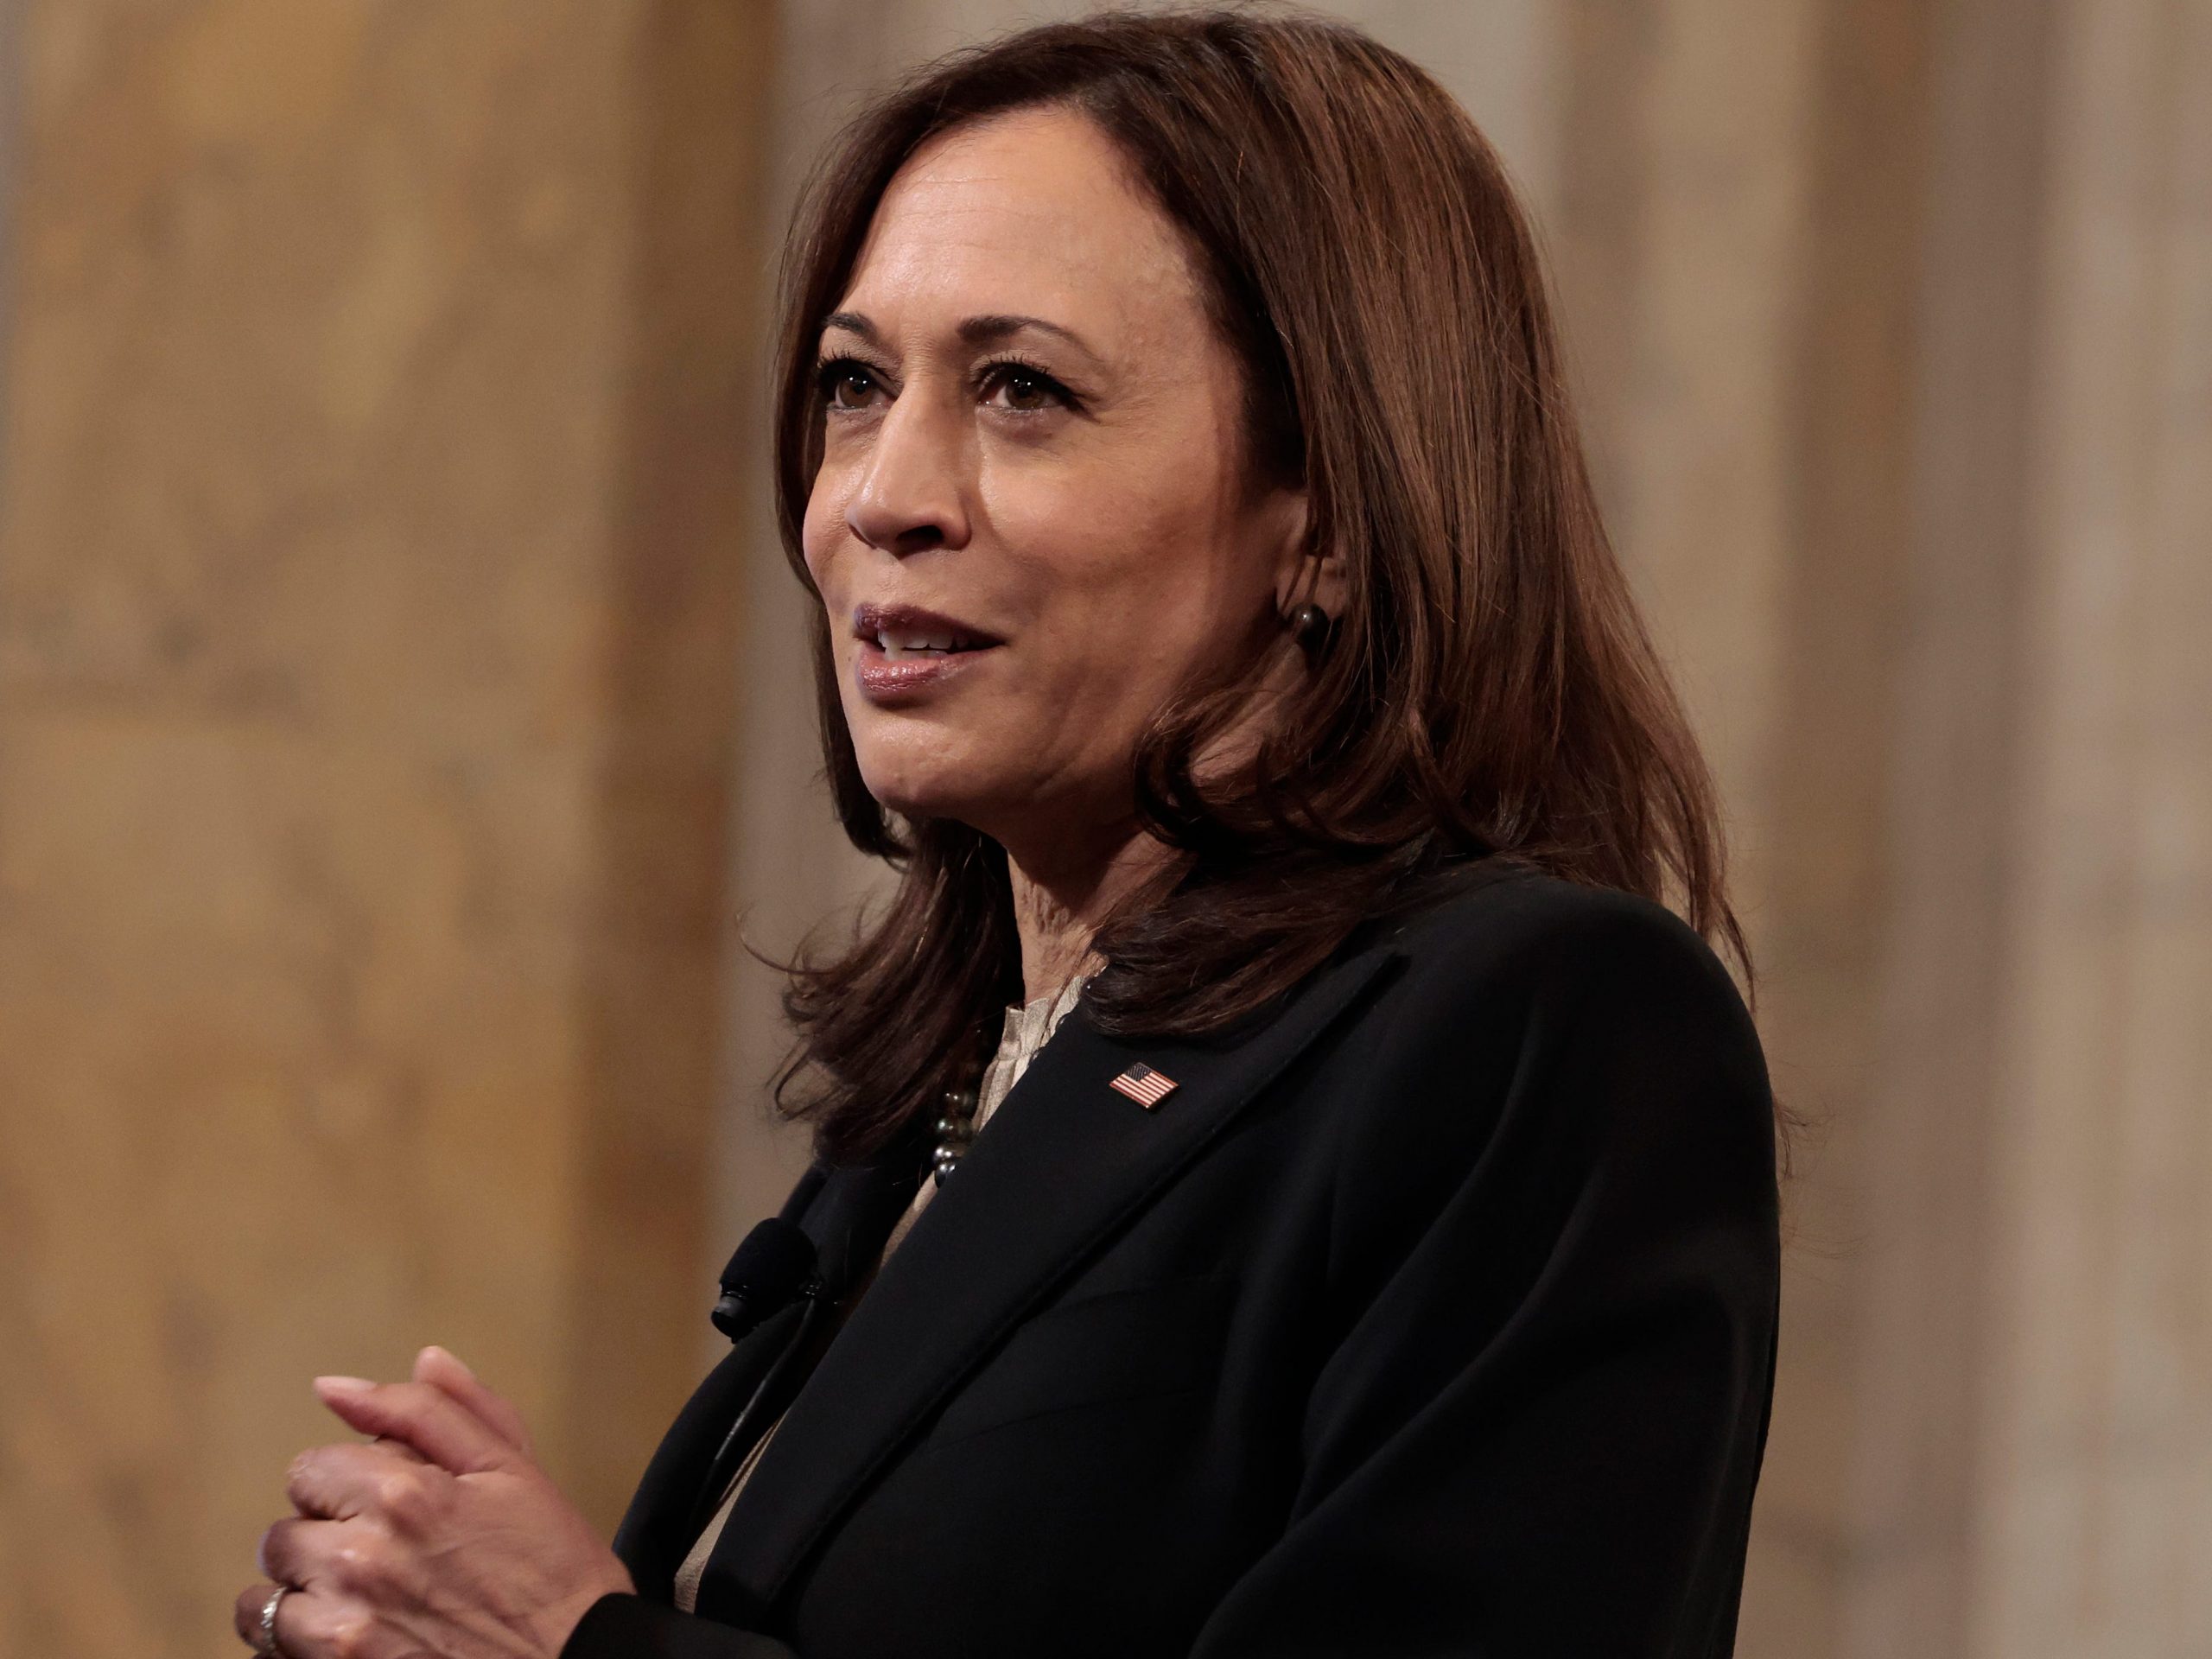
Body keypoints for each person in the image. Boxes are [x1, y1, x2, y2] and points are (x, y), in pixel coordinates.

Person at [235, 12, 1781, 1658]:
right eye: (853, 385)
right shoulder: (937, 1110)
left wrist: (570, 1647)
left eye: (1023, 391)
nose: (881, 494)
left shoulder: (1537, 1029)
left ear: (1324, 512)